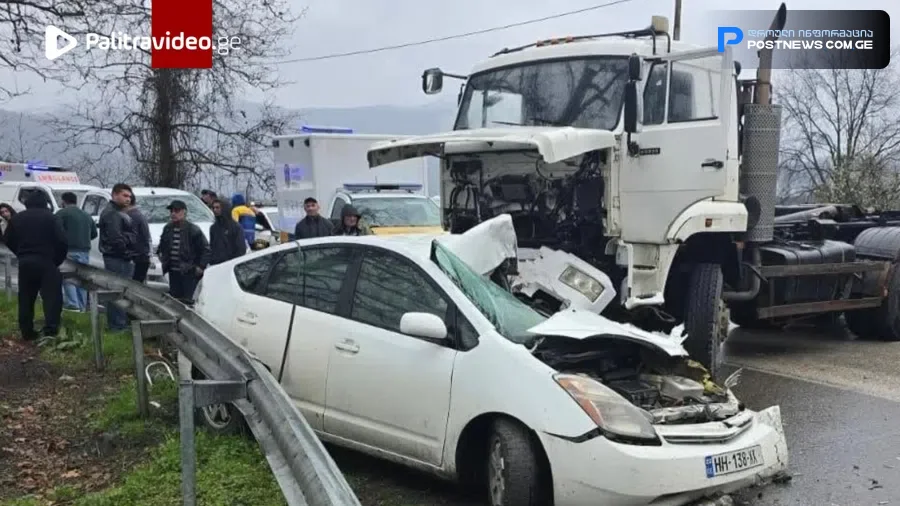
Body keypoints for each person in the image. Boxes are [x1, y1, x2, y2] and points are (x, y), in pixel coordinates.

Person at [4, 192, 67, 340]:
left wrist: (20, 252)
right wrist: (56, 260)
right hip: (47, 261)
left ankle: (26, 331)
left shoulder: (17, 219)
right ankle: (50, 330)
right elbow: (62, 241)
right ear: (46, 203)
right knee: (51, 297)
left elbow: (7, 239)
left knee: (26, 297)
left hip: (25, 261)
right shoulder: (52, 218)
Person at [98, 183, 137, 331]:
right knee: (118, 292)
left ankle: (118, 323)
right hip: (117, 258)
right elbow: (116, 239)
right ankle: (117, 325)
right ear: (114, 195)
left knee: (119, 292)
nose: (128, 199)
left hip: (118, 257)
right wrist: (128, 249)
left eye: (129, 196)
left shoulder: (117, 212)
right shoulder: (113, 214)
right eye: (124, 195)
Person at [157, 200, 210, 304]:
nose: (173, 213)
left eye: (176, 211)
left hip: (189, 272)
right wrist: (162, 257)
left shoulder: (193, 229)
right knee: (174, 301)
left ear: (184, 212)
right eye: (171, 211)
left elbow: (206, 249)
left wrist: (201, 266)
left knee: (187, 301)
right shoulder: (168, 228)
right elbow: (162, 245)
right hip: (172, 271)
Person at [55, 192, 98, 311]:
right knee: (82, 279)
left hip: (68, 250)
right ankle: (82, 306)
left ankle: (73, 305)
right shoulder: (86, 215)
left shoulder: (61, 213)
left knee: (68, 277)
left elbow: (56, 231)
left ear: (64, 201)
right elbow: (94, 234)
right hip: (84, 251)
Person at [209, 198, 246, 265]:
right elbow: (212, 247)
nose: (215, 210)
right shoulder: (213, 228)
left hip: (230, 264)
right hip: (216, 265)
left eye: (217, 207)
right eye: (213, 208)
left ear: (224, 208)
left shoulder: (236, 227)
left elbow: (241, 250)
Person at [126, 194, 152, 283]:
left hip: (136, 259)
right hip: (143, 257)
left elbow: (132, 239)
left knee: (133, 287)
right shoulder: (139, 215)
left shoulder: (130, 217)